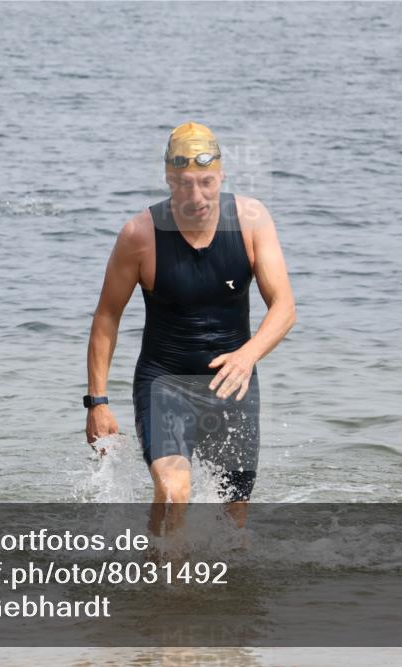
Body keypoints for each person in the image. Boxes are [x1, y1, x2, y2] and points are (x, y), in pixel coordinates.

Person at [84, 122, 296, 535]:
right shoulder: (139, 235)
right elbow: (107, 315)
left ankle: (208, 592)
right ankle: (160, 587)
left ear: (222, 177)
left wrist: (248, 355)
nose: (195, 196)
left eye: (206, 182)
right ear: (168, 180)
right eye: (183, 184)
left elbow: (284, 307)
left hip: (233, 385)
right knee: (174, 491)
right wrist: (97, 401)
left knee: (232, 523)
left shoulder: (252, 221)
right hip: (165, 383)